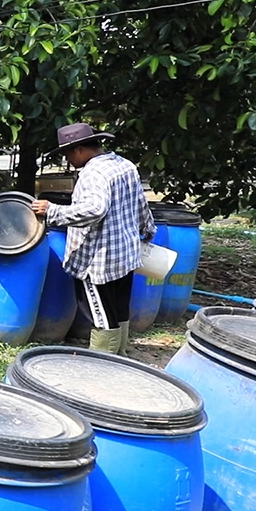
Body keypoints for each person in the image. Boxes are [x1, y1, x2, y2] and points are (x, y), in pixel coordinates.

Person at [31, 122, 155, 355]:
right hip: (125, 255)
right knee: (118, 310)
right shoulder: (124, 165)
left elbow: (95, 209)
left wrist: (52, 211)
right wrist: (148, 228)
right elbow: (141, 202)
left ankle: (103, 367)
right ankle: (121, 357)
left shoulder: (92, 173)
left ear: (78, 150)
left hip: (98, 263)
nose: (68, 160)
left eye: (67, 154)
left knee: (101, 317)